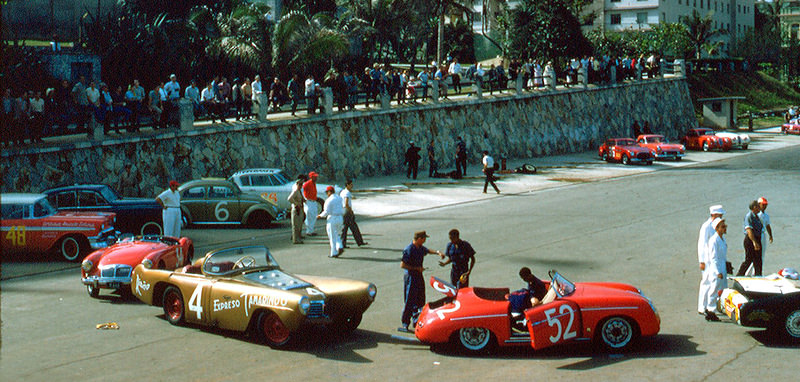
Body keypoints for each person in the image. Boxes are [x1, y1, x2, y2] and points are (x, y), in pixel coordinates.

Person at [399, 231, 444, 333]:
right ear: (419, 238)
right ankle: (405, 323)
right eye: (424, 239)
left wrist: (437, 252)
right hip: (411, 276)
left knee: (420, 299)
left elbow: (427, 251)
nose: (425, 240)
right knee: (409, 300)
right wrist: (416, 268)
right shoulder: (409, 249)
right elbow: (403, 265)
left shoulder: (420, 248)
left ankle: (416, 320)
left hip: (418, 276)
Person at [697, 204, 725, 315]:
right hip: (707, 260)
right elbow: (701, 244)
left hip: (714, 259)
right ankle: (702, 307)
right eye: (720, 214)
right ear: (714, 214)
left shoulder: (716, 225)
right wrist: (702, 261)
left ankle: (710, 306)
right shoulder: (706, 227)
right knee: (706, 282)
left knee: (714, 283)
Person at [509, 267, 548, 332]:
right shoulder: (531, 281)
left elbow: (535, 300)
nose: (524, 280)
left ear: (528, 275)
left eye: (524, 278)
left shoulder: (536, 284)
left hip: (535, 301)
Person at [704, 217, 728, 322]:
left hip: (722, 267)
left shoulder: (722, 239)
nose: (725, 228)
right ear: (717, 228)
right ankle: (710, 310)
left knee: (722, 289)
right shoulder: (714, 240)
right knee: (714, 289)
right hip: (716, 269)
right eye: (723, 226)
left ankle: (718, 308)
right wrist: (717, 272)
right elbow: (713, 258)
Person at [736, 200, 763, 276]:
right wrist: (754, 242)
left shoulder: (757, 216)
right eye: (758, 206)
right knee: (749, 259)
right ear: (754, 207)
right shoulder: (749, 216)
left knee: (758, 260)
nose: (760, 208)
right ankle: (739, 275)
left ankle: (758, 275)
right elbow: (749, 230)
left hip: (757, 238)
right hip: (751, 239)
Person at [317, 186, 345, 258]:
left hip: (332, 218)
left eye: (327, 192)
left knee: (332, 236)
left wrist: (320, 216)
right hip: (340, 217)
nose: (327, 194)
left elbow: (326, 211)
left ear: (329, 192)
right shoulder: (339, 198)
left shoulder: (329, 200)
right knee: (337, 234)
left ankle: (334, 252)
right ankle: (340, 246)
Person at [340, 179, 367, 248]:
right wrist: (351, 211)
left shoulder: (343, 192)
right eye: (351, 184)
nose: (352, 186)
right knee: (354, 227)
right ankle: (359, 241)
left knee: (345, 228)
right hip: (347, 211)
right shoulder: (347, 193)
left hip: (343, 211)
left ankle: (343, 243)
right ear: (347, 185)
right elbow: (346, 203)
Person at [288, 175, 306, 244]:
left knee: (299, 224)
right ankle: (295, 239)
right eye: (299, 184)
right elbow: (290, 198)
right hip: (296, 209)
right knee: (295, 225)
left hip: (300, 209)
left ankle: (299, 237)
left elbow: (301, 198)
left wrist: (304, 200)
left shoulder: (299, 191)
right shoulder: (295, 191)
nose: (300, 186)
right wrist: (296, 203)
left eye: (301, 184)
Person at [302, 171, 320, 236]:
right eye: (314, 177)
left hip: (313, 201)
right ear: (311, 177)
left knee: (313, 216)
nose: (316, 178)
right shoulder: (307, 183)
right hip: (309, 201)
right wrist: (304, 199)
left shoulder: (313, 183)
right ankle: (309, 231)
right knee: (309, 217)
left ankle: (311, 230)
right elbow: (301, 190)